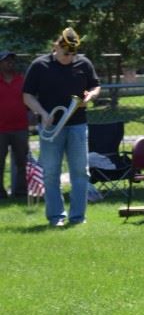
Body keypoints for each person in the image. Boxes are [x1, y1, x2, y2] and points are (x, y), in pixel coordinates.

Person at [21, 29, 101, 226]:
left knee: (80, 172)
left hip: (78, 126)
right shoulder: (40, 65)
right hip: (50, 127)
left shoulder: (84, 63)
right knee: (50, 172)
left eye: (73, 54)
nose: (70, 57)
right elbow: (27, 95)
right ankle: (56, 216)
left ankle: (78, 217)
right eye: (66, 53)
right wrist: (42, 113)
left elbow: (95, 86)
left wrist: (91, 96)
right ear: (56, 46)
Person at [0, 51, 30, 199]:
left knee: (22, 162)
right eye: (6, 60)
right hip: (1, 130)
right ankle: (1, 193)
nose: (9, 62)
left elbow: (30, 102)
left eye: (11, 60)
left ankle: (21, 192)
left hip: (20, 128)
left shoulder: (22, 81)